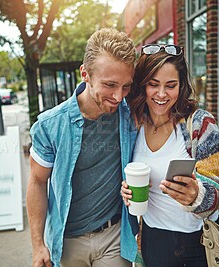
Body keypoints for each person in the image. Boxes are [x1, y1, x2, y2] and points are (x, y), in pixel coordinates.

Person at [27, 28, 139, 267]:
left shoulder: (131, 115)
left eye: (126, 86)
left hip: (114, 236)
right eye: (109, 85)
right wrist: (38, 245)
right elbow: (37, 181)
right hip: (67, 241)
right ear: (85, 74)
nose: (119, 97)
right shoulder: (50, 126)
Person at [121, 44, 219, 267]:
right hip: (152, 239)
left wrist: (196, 195)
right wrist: (126, 191)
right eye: (153, 85)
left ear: (181, 86)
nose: (161, 94)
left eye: (171, 86)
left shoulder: (199, 124)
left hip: (199, 241)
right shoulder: (133, 123)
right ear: (142, 85)